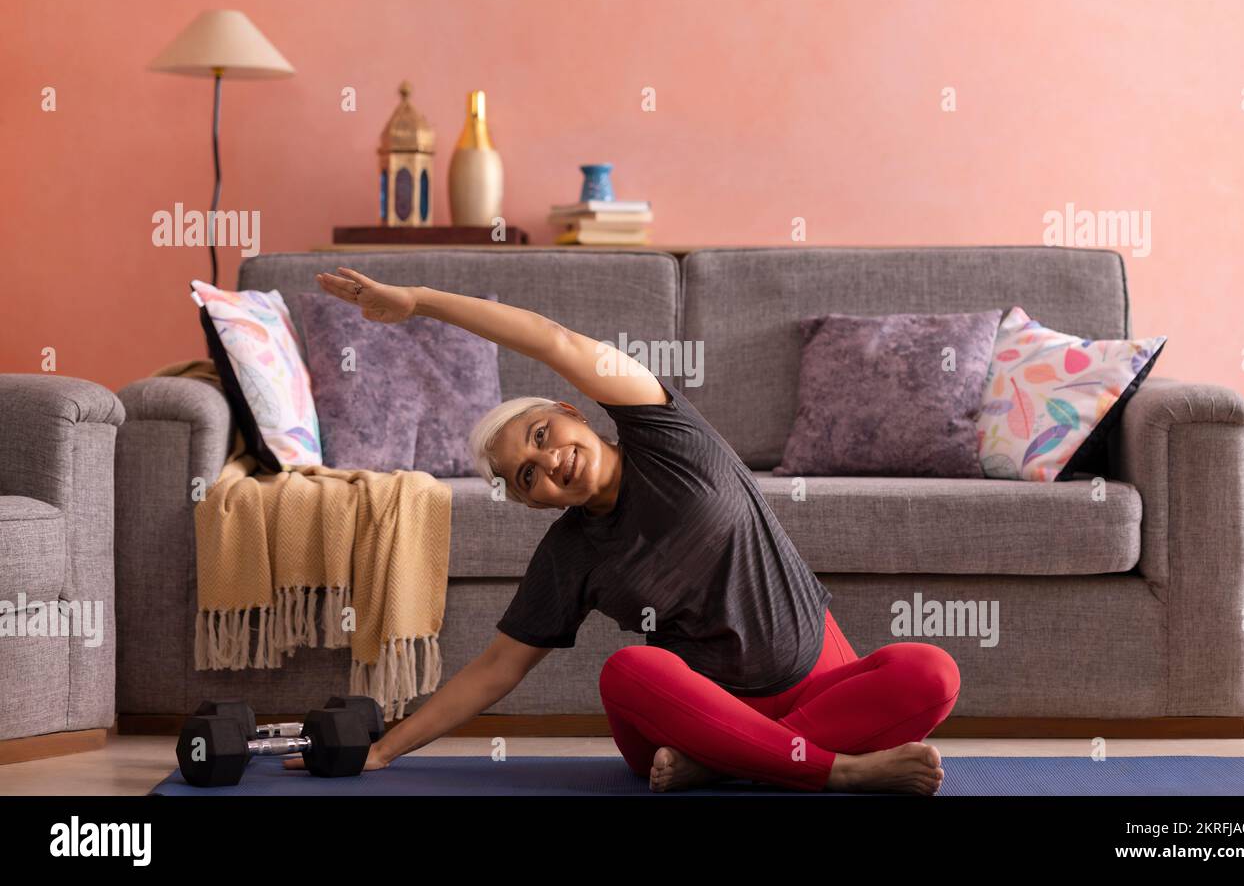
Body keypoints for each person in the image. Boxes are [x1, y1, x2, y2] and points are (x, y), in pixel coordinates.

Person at [292, 266, 961, 794]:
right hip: (695, 716)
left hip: (813, 684)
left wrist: (418, 301)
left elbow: (552, 340)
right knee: (627, 671)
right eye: (527, 476)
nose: (549, 462)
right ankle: (835, 770)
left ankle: (733, 763)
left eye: (541, 436)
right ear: (532, 503)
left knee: (933, 672)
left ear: (572, 410)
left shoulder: (666, 434)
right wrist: (385, 749)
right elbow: (496, 670)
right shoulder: (570, 553)